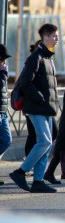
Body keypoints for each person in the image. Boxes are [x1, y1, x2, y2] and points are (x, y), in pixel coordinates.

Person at [9, 23, 59, 193]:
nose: (57, 39)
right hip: (36, 107)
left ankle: (38, 181)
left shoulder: (49, 57)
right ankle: (20, 172)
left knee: (47, 144)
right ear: (45, 37)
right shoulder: (35, 57)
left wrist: (51, 103)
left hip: (46, 108)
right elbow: (25, 82)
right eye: (54, 36)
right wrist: (41, 98)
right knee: (44, 141)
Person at [0, 44, 12, 186]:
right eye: (2, 59)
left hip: (3, 111)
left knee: (6, 139)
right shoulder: (2, 72)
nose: (3, 62)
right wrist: (3, 73)